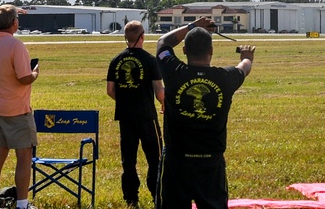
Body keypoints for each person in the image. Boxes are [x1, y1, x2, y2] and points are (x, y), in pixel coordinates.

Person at [155, 17, 255, 209]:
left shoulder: (173, 71)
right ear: (211, 51)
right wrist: (246, 57)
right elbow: (244, 68)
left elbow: (163, 42)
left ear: (184, 51)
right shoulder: (225, 78)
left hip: (177, 161)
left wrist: (193, 25)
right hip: (211, 162)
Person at [0, 4, 39, 209]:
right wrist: (35, 73)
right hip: (17, 109)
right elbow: (24, 78)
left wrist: (7, 10)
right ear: (15, 24)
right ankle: (22, 204)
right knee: (24, 157)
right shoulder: (16, 46)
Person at [107, 20, 165, 208]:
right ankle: (157, 194)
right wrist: (164, 104)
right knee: (155, 158)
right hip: (147, 116)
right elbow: (159, 91)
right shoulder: (150, 60)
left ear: (125, 37)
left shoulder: (116, 61)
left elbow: (110, 90)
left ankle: (131, 197)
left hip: (125, 117)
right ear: (142, 36)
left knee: (129, 160)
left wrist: (125, 101)